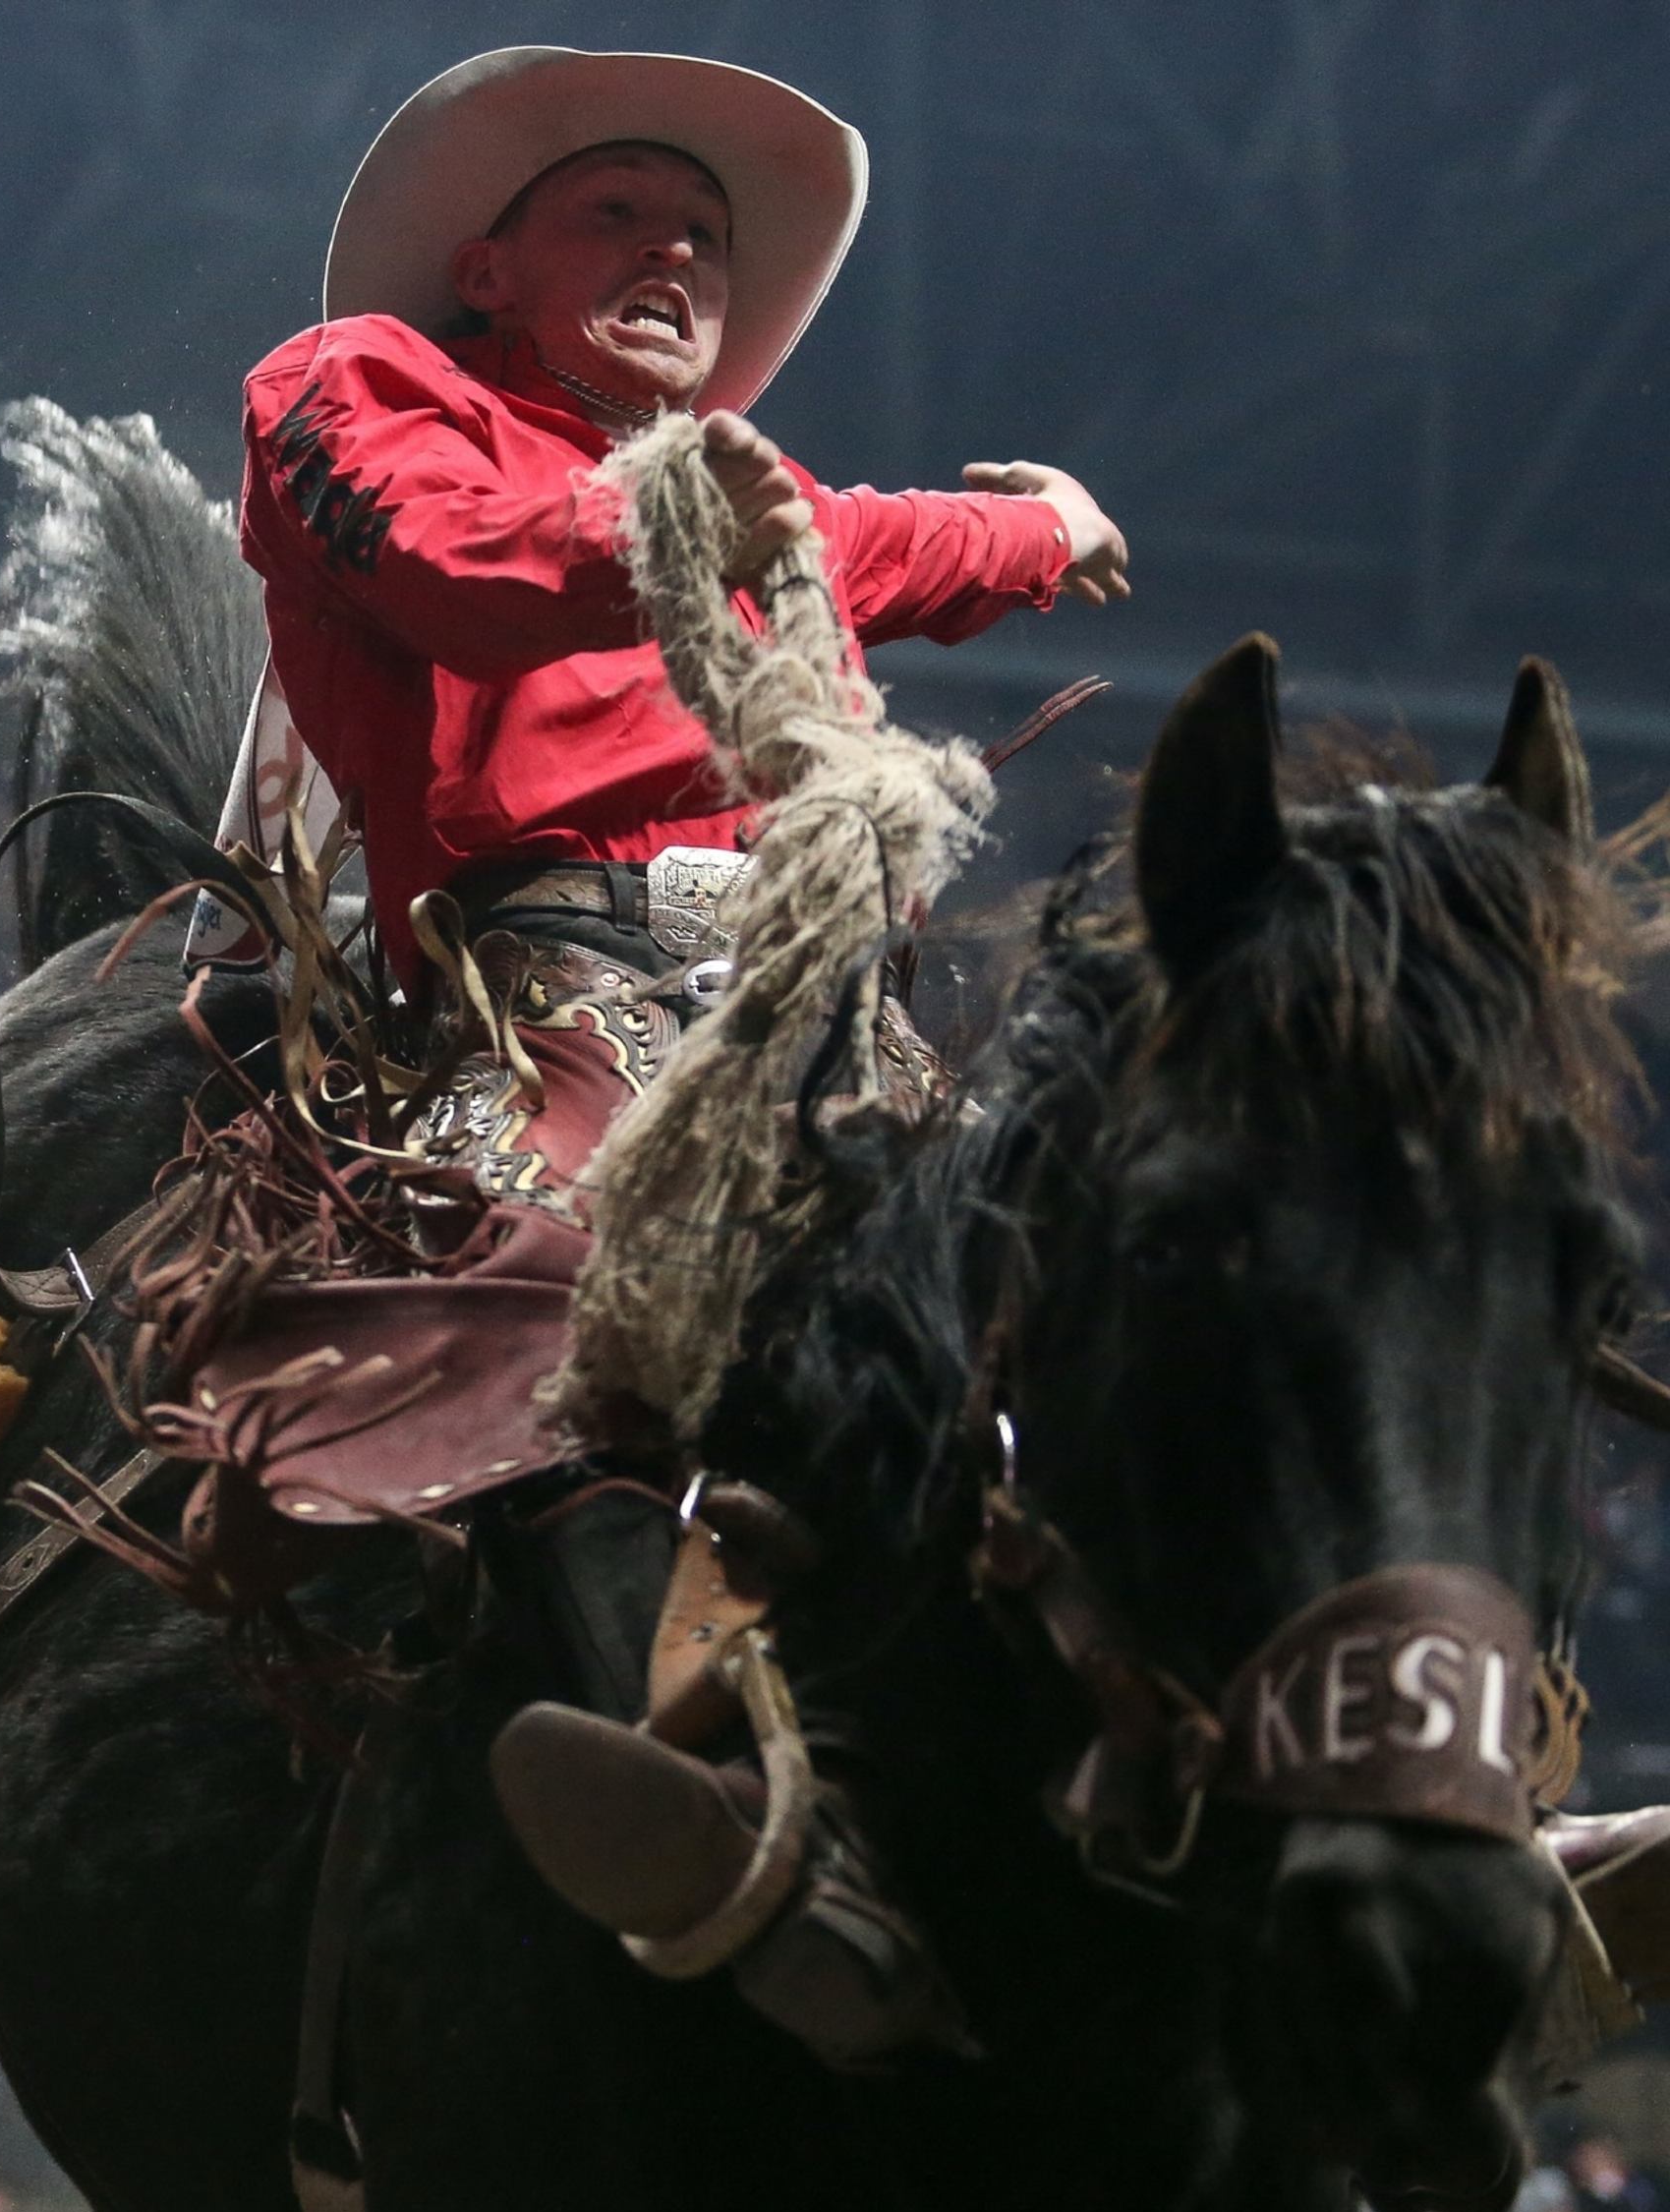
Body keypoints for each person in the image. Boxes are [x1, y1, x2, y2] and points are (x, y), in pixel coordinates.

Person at [220, 44, 1128, 2063]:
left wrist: (1048, 532)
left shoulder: (760, 498)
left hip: (824, 1010)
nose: (674, 256)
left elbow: (895, 541)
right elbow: (451, 578)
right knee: (554, 1305)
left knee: (1135, 1275)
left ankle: (1378, 1786)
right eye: (615, 217)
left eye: (699, 237)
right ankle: (715, 1821)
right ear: (490, 264)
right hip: (545, 985)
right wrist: (711, 519)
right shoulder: (353, 392)